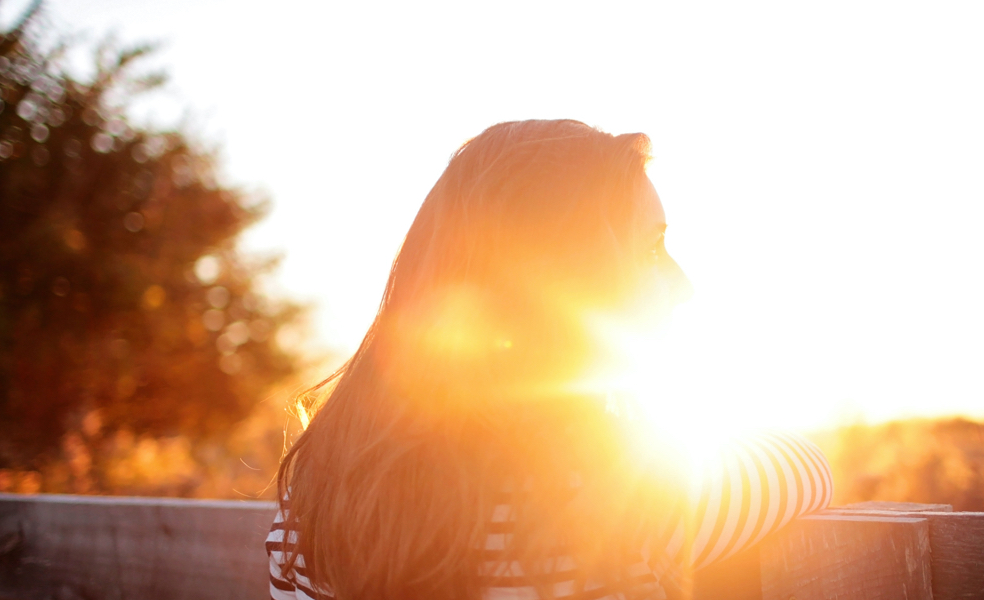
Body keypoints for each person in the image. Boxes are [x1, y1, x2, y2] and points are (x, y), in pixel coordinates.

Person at [267, 120, 832, 600]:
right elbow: (806, 467)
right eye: (651, 248)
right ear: (568, 278)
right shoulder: (616, 491)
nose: (684, 285)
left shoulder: (314, 495)